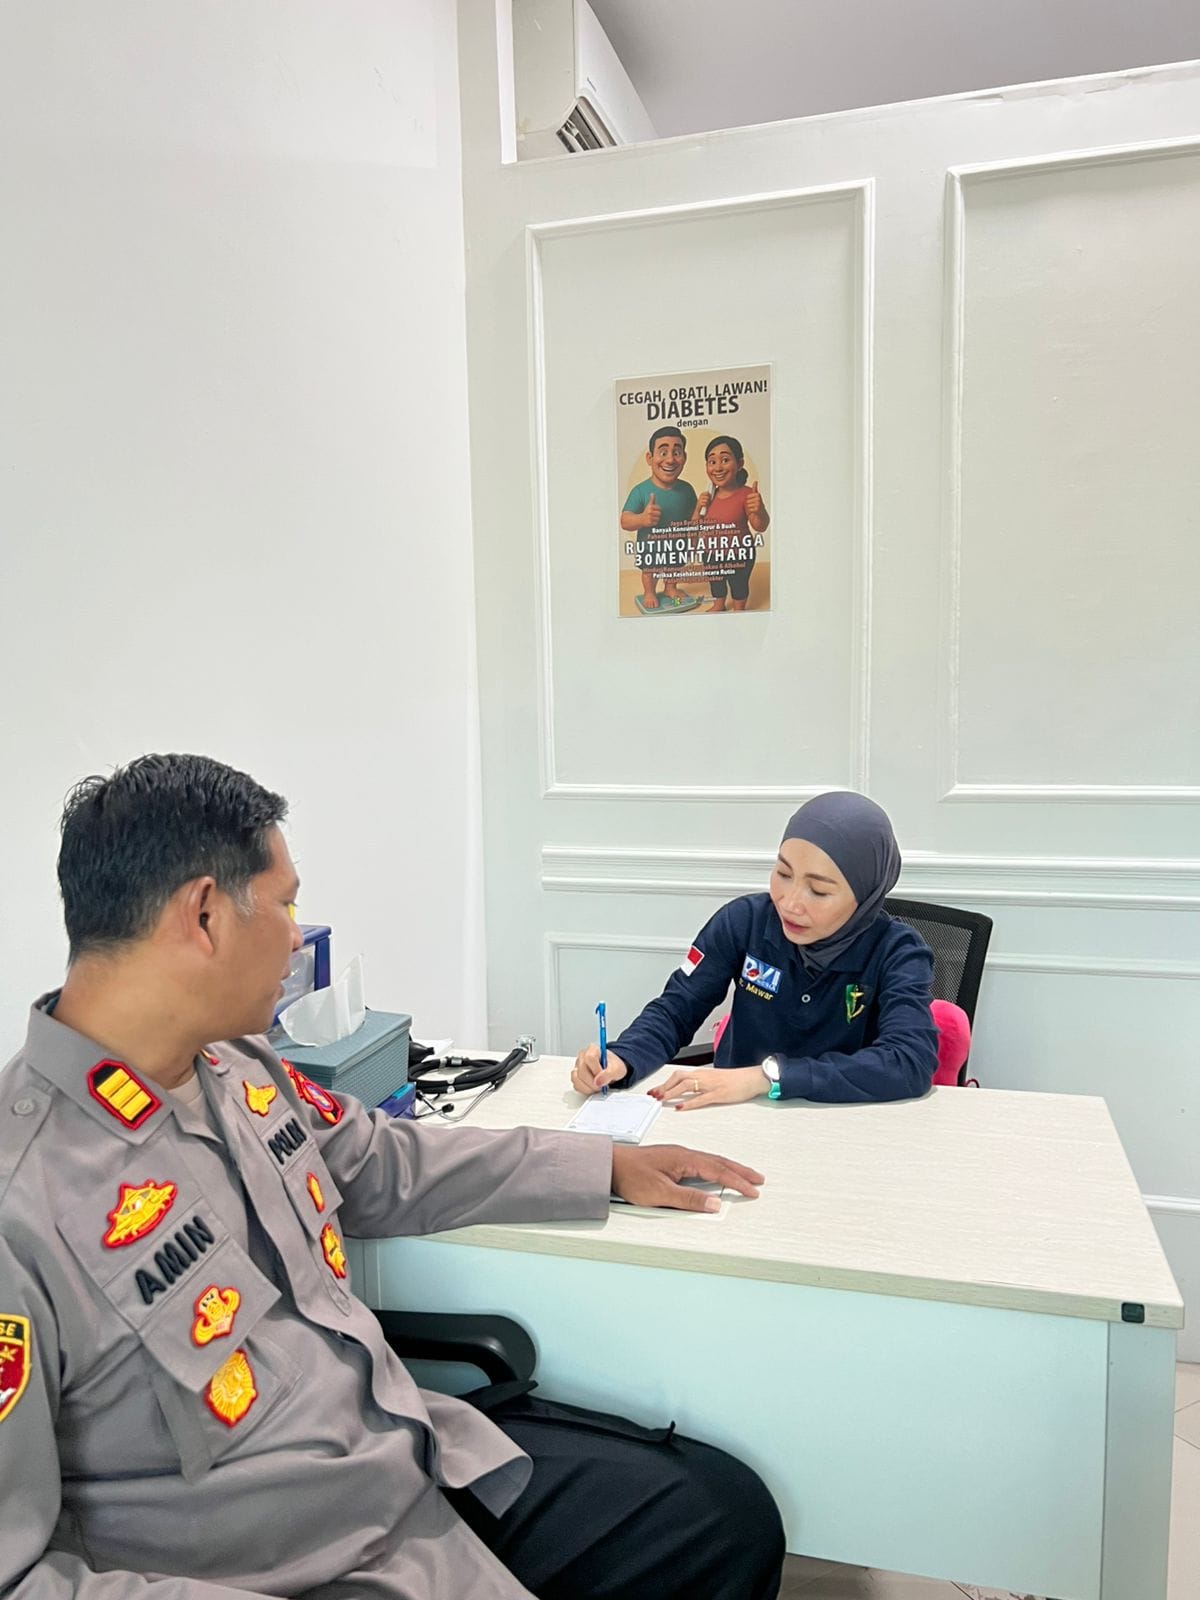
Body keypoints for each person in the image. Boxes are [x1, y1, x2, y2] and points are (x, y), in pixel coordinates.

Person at [0, 754, 784, 1600]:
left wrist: (605, 1164)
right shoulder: (23, 1204)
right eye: (285, 903)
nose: (297, 936)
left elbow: (380, 1160)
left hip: (408, 1457)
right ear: (204, 915)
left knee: (722, 1517)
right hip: (300, 1567)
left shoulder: (234, 1064)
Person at [571, 791, 939, 1108]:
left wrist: (766, 1077)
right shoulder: (743, 921)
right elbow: (676, 1009)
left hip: (842, 1120)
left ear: (866, 896)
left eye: (818, 890)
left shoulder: (898, 952)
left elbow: (910, 1062)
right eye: (783, 874)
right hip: (738, 1115)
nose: (789, 903)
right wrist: (623, 1057)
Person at [620, 425, 697, 610]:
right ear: (650, 458)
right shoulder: (641, 491)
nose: (670, 459)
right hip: (651, 546)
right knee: (650, 570)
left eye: (676, 452)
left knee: (675, 566)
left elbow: (693, 517)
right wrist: (642, 519)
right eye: (663, 452)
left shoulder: (687, 490)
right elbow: (625, 520)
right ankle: (649, 591)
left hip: (677, 544)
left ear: (684, 457)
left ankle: (671, 587)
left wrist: (695, 535)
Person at [696, 435, 769, 613]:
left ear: (740, 463)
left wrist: (759, 510)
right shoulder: (708, 496)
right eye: (712, 462)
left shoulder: (747, 494)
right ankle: (719, 604)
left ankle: (738, 609)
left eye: (725, 460)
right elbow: (694, 527)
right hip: (711, 553)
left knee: (739, 584)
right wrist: (699, 507)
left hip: (739, 554)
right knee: (716, 583)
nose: (718, 467)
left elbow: (760, 526)